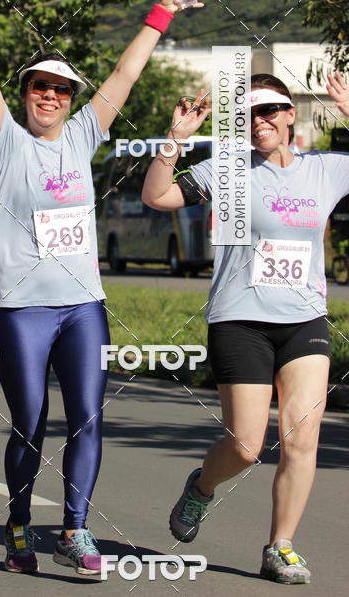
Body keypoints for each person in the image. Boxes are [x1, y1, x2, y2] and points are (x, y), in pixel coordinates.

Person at [0, 0, 204, 575]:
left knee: (89, 418)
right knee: (28, 423)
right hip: (18, 310)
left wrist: (162, 12)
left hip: (82, 307)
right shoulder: (5, 140)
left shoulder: (81, 136)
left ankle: (75, 530)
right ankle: (19, 525)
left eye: (61, 89)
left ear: (72, 100)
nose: (49, 96)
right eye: (39, 87)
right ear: (24, 97)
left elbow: (126, 75)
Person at [141, 70, 349, 585]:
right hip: (240, 319)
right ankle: (202, 487)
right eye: (250, 113)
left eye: (269, 111)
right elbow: (157, 196)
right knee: (246, 446)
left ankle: (280, 547)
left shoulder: (326, 170)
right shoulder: (232, 170)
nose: (259, 121)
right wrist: (176, 142)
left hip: (304, 320)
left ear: (289, 115)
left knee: (303, 440)